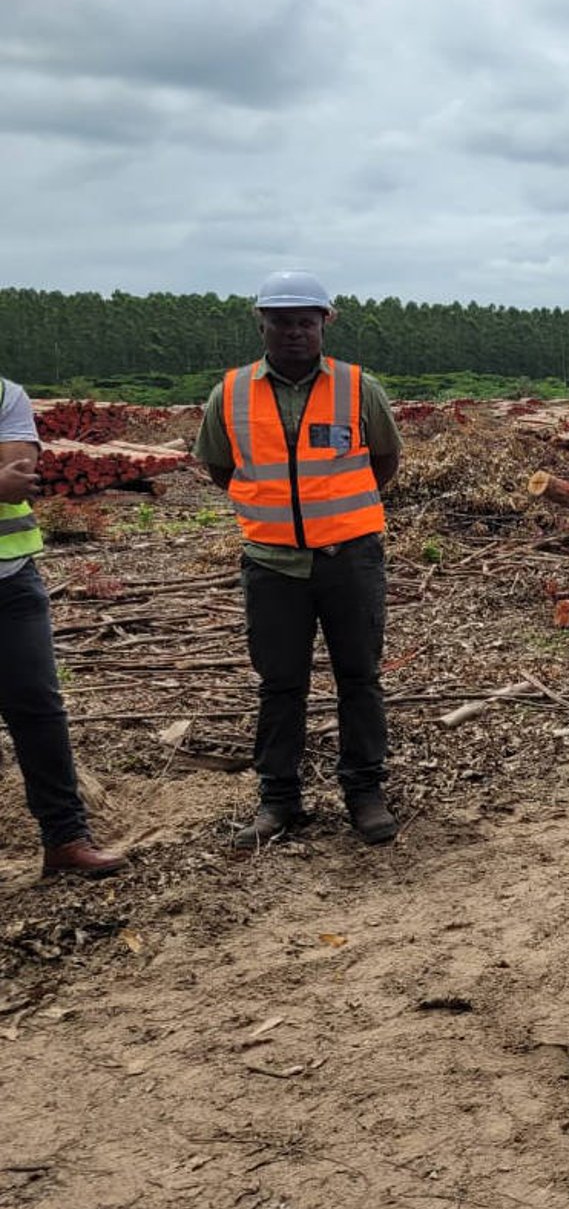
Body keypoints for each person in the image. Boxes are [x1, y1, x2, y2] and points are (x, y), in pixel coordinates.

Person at [196, 271, 403, 847]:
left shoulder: (358, 387)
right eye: (282, 322)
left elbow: (385, 460)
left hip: (350, 559)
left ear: (324, 324)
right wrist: (275, 513)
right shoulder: (230, 393)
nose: (294, 332)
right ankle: (278, 801)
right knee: (280, 684)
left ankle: (364, 791)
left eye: (305, 322)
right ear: (261, 324)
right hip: (271, 563)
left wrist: (334, 514)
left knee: (359, 677)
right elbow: (219, 467)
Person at [0, 379, 128, 878]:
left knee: (38, 709)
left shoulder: (5, 394)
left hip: (10, 579)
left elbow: (18, 472)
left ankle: (65, 839)